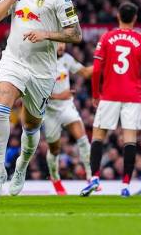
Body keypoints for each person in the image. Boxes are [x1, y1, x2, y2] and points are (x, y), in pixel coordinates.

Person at [0, 0, 82, 199]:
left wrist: (47, 33)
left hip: (42, 71)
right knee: (1, 102)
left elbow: (76, 34)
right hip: (13, 62)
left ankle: (21, 167)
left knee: (31, 125)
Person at [80, 1, 141, 198]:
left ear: (118, 16)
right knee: (130, 140)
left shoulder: (107, 37)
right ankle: (125, 186)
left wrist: (95, 94)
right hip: (132, 97)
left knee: (98, 136)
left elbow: (97, 69)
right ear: (135, 18)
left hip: (109, 94)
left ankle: (95, 179)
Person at [44, 42, 93, 195]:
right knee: (55, 150)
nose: (62, 47)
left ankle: (91, 177)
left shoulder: (66, 58)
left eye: (63, 43)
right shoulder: (42, 62)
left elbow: (85, 72)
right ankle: (55, 177)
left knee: (83, 139)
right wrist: (59, 95)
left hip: (66, 107)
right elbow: (35, 90)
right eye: (58, 44)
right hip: (50, 111)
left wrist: (103, 61)